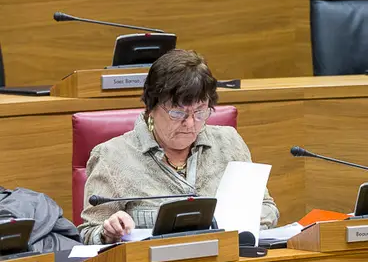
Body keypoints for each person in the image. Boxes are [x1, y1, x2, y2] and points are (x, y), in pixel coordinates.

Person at [78, 50, 279, 244]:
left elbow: (266, 207)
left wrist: (244, 221)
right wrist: (108, 232)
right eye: (177, 113)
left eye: (200, 112)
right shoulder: (111, 157)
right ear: (151, 107)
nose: (190, 124)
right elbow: (88, 233)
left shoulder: (229, 143)